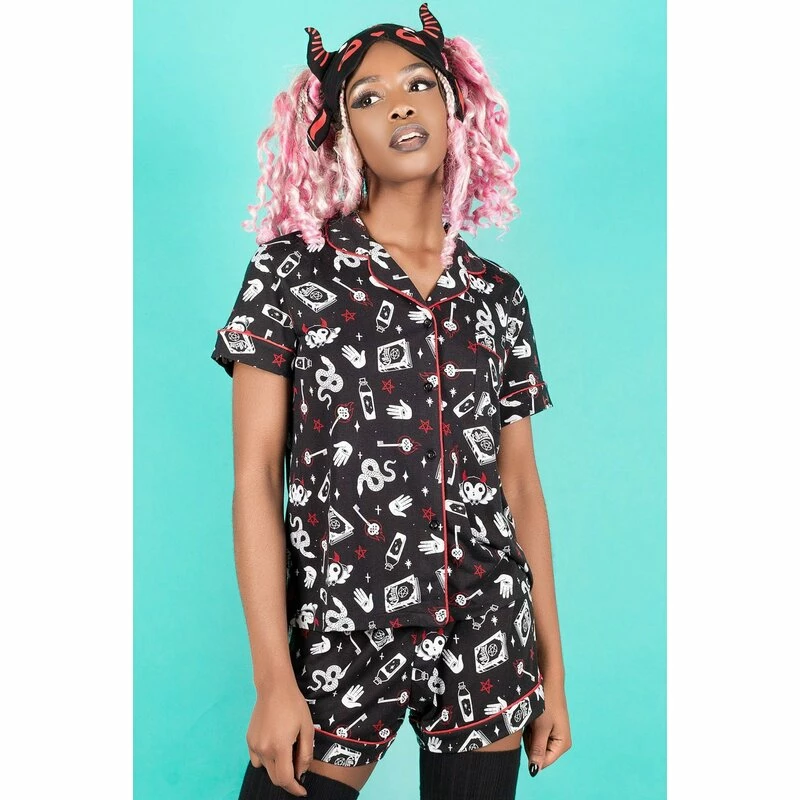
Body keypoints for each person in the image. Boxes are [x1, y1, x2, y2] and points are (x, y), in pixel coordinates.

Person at [211, 5, 571, 799]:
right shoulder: (289, 275)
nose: (400, 107)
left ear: (455, 105)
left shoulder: (497, 295)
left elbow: (520, 487)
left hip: (488, 633)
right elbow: (256, 478)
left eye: (418, 86)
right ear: (341, 133)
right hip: (342, 631)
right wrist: (273, 678)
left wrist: (552, 672)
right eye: (367, 99)